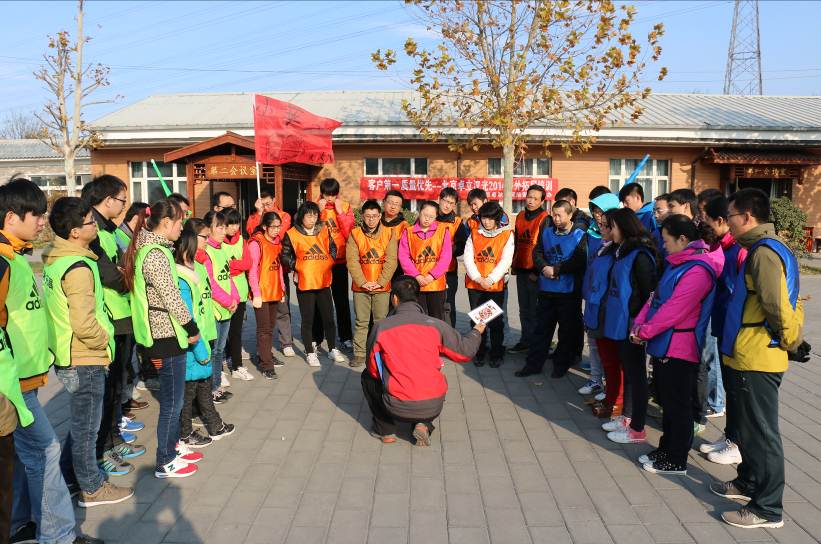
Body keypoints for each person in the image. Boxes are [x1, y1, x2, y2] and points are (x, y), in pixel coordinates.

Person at [2, 178, 94, 544]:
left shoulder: (16, 256)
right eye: (36, 215)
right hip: (12, 384)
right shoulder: (2, 261)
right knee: (45, 450)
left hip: (24, 379)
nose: (43, 222)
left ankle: (19, 522)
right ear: (11, 217)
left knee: (23, 454)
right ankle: (58, 535)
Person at [713, 188, 806, 530]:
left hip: (758, 357)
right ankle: (748, 482)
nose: (728, 224)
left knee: (762, 434)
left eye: (731, 217)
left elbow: (779, 305)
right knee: (749, 431)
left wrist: (792, 341)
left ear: (747, 217)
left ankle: (767, 509)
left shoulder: (764, 253)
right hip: (747, 354)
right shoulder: (760, 249)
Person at [42, 197, 134, 507]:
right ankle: (92, 488)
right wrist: (104, 341)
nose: (95, 225)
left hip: (71, 354)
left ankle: (70, 477)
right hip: (85, 357)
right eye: (89, 221)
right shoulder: (78, 267)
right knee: (87, 430)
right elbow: (83, 323)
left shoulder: (58, 258)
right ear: (74, 232)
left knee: (81, 424)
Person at [630, 214, 720, 474]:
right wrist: (639, 324)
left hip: (680, 346)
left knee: (678, 406)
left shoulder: (698, 269)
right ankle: (666, 448)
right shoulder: (677, 264)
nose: (664, 244)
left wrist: (645, 331)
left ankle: (677, 458)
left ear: (682, 239)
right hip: (663, 342)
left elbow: (674, 309)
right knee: (666, 403)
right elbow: (655, 299)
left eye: (667, 240)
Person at [123, 198, 202, 479]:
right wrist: (191, 327)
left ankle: (174, 446)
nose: (182, 228)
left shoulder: (155, 248)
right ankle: (165, 460)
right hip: (165, 333)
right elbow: (171, 297)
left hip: (166, 332)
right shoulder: (155, 253)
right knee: (172, 402)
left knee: (174, 399)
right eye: (180, 222)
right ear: (166, 223)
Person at [362, 276, 484, 445]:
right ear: (417, 298)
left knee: (367, 377)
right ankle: (423, 424)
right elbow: (465, 353)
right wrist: (476, 331)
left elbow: (373, 369)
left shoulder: (381, 327)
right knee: (430, 374)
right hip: (432, 405)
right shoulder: (437, 325)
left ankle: (386, 430)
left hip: (396, 405)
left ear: (394, 298)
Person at [80, 175, 146, 481]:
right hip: (111, 318)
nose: (123, 205)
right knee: (107, 392)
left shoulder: (105, 229)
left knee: (117, 386)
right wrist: (130, 276)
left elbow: (120, 266)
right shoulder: (92, 230)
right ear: (108, 200)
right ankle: (102, 450)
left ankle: (113, 439)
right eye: (122, 199)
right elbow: (110, 273)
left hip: (122, 313)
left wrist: (125, 272)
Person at [598, 209, 658, 442]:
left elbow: (649, 295)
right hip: (620, 322)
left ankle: (636, 427)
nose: (609, 231)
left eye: (611, 226)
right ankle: (627, 417)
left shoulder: (640, 256)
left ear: (623, 227)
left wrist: (640, 325)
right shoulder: (621, 251)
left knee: (636, 375)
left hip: (633, 325)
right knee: (629, 372)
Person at [174, 228, 235, 448]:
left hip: (205, 336)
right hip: (193, 342)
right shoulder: (180, 277)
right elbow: (187, 315)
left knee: (204, 386)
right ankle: (185, 433)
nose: (207, 242)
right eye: (202, 238)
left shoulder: (197, 268)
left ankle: (215, 424)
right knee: (189, 391)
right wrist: (200, 347)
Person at [699, 195, 746, 465]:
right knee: (730, 386)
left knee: (737, 392)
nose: (703, 224)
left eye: (706, 220)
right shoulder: (721, 246)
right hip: (720, 324)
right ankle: (730, 436)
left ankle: (738, 444)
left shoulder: (739, 250)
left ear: (721, 220)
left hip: (736, 331)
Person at [516, 200, 586, 378]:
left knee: (566, 332)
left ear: (570, 215)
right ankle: (533, 364)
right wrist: (544, 268)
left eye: (559, 215)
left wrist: (557, 269)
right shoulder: (547, 232)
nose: (556, 219)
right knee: (541, 330)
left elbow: (579, 260)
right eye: (554, 215)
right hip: (546, 290)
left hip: (568, 292)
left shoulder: (579, 235)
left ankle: (561, 365)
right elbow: (537, 252)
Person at [281, 201, 348, 367]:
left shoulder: (324, 230)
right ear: (301, 216)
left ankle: (332, 349)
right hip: (305, 282)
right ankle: (310, 352)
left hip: (323, 281)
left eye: (315, 216)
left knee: (329, 318)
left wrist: (329, 261)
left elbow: (333, 249)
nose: (312, 219)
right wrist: (297, 266)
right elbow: (284, 255)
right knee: (307, 319)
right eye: (309, 216)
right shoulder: (292, 234)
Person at [578, 191, 620, 396]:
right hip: (592, 297)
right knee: (593, 342)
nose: (596, 216)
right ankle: (596, 379)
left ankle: (609, 385)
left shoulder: (619, 247)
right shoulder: (591, 234)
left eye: (601, 212)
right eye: (594, 211)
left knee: (608, 347)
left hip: (607, 302)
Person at [346, 200, 398, 368]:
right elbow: (352, 261)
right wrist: (362, 282)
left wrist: (380, 282)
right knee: (361, 322)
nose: (371, 220)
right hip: (360, 287)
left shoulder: (389, 233)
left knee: (380, 321)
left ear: (380, 216)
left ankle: (380, 352)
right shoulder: (355, 234)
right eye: (368, 216)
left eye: (374, 216)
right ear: (362, 216)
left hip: (382, 287)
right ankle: (359, 353)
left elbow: (391, 261)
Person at [464, 201, 514, 367]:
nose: (486, 222)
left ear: (497, 219)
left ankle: (496, 353)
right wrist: (478, 278)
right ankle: (479, 351)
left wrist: (491, 279)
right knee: (477, 320)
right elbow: (468, 258)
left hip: (495, 286)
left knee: (495, 322)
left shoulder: (506, 235)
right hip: (475, 285)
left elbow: (506, 261)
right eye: (484, 218)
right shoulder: (474, 234)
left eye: (490, 218)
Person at [249, 211, 295, 379]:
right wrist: (256, 294)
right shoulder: (256, 244)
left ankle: (265, 354)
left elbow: (279, 270)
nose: (277, 230)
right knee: (264, 330)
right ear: (264, 227)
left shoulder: (277, 243)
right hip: (261, 293)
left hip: (275, 291)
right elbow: (252, 271)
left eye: (279, 226)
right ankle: (266, 365)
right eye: (273, 227)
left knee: (269, 327)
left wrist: (282, 290)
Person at [201, 211, 239, 401]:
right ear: (209, 229)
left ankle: (216, 386)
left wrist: (235, 298)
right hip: (215, 310)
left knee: (220, 350)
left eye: (225, 227)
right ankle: (212, 389)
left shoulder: (222, 249)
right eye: (220, 227)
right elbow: (212, 284)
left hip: (226, 309)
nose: (224, 231)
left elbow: (227, 277)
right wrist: (227, 301)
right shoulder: (206, 252)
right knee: (214, 351)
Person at [317, 178, 355, 349]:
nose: (330, 198)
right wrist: (318, 212)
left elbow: (349, 233)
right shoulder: (314, 206)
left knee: (341, 301)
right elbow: (308, 231)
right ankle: (317, 337)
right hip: (320, 262)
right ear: (322, 193)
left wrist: (340, 212)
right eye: (327, 194)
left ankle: (345, 336)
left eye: (333, 194)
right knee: (320, 302)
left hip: (339, 260)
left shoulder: (345, 206)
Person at [509, 184, 548, 354]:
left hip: (535, 272)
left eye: (535, 198)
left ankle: (537, 344)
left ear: (542, 201)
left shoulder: (545, 219)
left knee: (535, 310)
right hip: (521, 269)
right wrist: (514, 264)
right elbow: (517, 242)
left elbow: (546, 247)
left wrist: (537, 271)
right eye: (529, 197)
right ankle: (525, 341)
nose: (531, 201)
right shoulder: (520, 216)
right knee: (523, 309)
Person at [398, 200, 452, 320]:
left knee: (437, 317)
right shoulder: (408, 232)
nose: (427, 219)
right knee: (418, 318)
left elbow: (446, 256)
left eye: (431, 217)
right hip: (416, 283)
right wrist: (417, 276)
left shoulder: (443, 231)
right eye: (425, 215)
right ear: (419, 212)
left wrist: (432, 276)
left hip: (436, 283)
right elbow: (403, 256)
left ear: (436, 217)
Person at [223, 209, 254, 381]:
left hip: (240, 292)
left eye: (237, 224)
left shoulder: (242, 240)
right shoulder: (217, 242)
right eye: (231, 224)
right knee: (221, 332)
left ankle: (237, 366)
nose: (234, 228)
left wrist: (231, 265)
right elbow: (219, 266)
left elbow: (248, 263)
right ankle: (221, 366)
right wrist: (237, 266)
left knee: (235, 331)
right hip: (222, 293)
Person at [436, 187, 462, 327]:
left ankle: (450, 335)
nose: (447, 205)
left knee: (448, 306)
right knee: (431, 306)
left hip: (449, 272)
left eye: (451, 203)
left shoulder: (457, 222)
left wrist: (445, 252)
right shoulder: (428, 216)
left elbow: (462, 246)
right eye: (445, 201)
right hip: (427, 270)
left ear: (455, 205)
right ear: (439, 200)